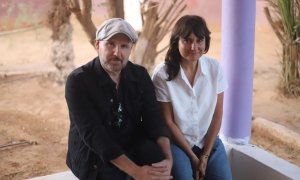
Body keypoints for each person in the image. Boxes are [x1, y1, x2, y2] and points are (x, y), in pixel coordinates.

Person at [65, 18, 173, 180]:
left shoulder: (140, 75)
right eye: (110, 44)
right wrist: (137, 173)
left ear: (131, 49)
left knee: (158, 164)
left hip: (129, 142)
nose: (117, 53)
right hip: (93, 154)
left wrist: (168, 159)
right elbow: (94, 135)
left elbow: (154, 119)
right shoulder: (78, 81)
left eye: (124, 46)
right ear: (97, 45)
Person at [152, 15, 232, 180]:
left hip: (208, 142)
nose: (194, 46)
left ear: (206, 42)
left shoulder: (215, 69)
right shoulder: (162, 74)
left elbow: (218, 115)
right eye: (187, 40)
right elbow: (168, 122)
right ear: (177, 42)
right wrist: (194, 158)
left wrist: (205, 156)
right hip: (176, 143)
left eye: (199, 40)